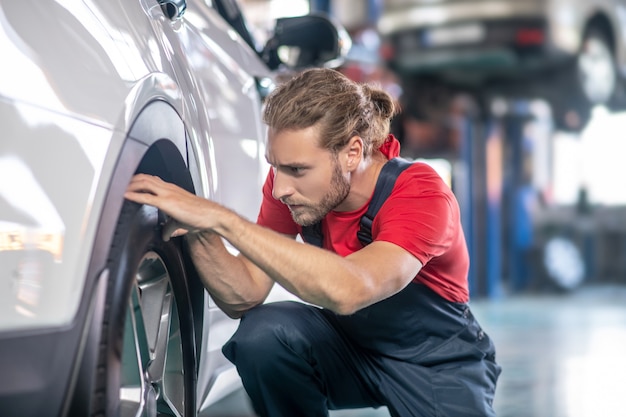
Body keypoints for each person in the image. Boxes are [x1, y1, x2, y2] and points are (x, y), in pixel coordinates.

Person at [125, 68, 501, 417]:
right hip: (350, 351)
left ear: (352, 153)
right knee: (264, 335)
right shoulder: (297, 191)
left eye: (298, 170)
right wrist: (199, 231)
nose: (282, 187)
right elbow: (245, 296)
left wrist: (222, 218)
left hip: (434, 360)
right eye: (277, 166)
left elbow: (350, 289)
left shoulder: (419, 193)